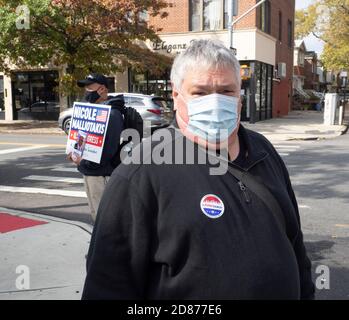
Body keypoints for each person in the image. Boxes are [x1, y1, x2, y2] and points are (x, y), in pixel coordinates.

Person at [82, 40, 315, 299]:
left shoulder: (263, 151)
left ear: (240, 95)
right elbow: (107, 285)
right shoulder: (141, 172)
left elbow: (295, 243)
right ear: (176, 95)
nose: (215, 103)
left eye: (226, 91)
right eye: (200, 93)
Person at [67, 73, 124, 222]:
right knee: (96, 217)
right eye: (85, 88)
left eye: (89, 88)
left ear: (102, 89)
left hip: (100, 175)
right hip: (89, 172)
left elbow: (107, 151)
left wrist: (83, 162)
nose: (86, 91)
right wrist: (75, 152)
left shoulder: (112, 114)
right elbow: (82, 135)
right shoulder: (90, 111)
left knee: (104, 221)